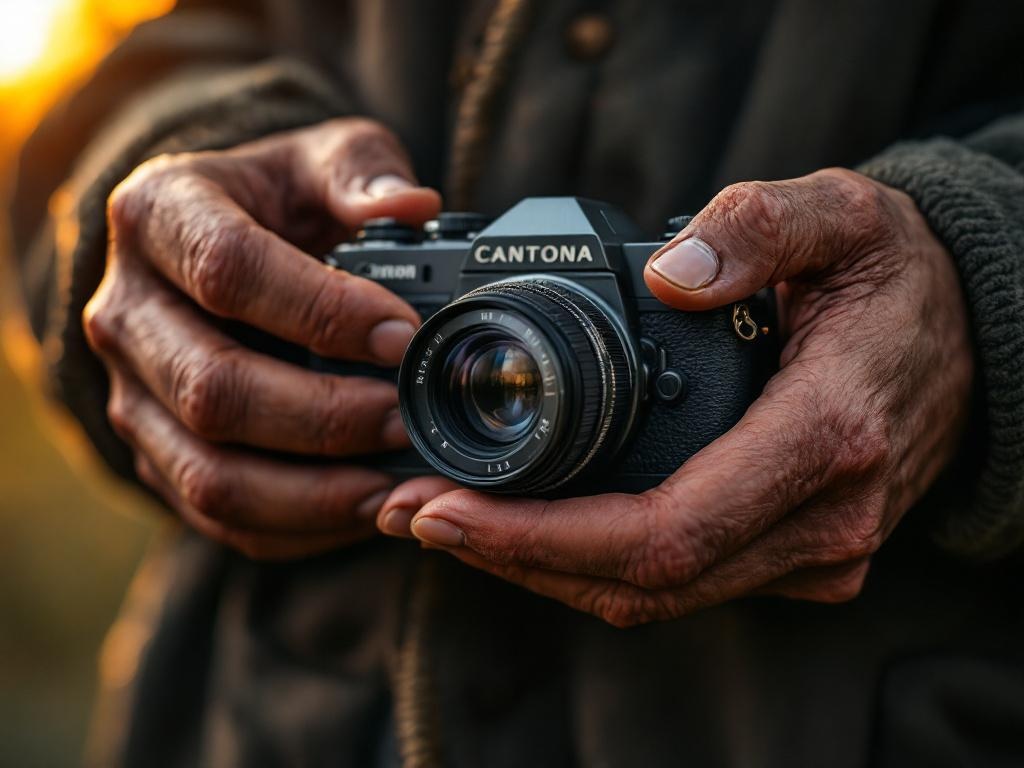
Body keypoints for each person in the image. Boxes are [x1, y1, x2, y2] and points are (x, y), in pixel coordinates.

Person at [8, 0, 1024, 765]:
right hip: (269, 716)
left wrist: (982, 287)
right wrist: (154, 205)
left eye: (501, 380)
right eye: (496, 382)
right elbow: (165, 52)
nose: (502, 382)